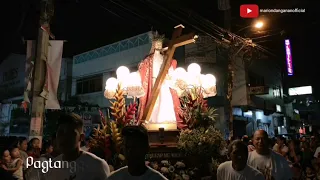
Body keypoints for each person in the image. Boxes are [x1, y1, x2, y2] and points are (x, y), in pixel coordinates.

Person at [137, 31, 185, 128]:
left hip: (164, 83)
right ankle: (152, 121)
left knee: (166, 102)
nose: (158, 45)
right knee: (153, 104)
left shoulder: (166, 58)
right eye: (156, 43)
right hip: (153, 82)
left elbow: (170, 69)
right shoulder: (149, 59)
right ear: (153, 45)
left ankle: (168, 122)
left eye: (160, 43)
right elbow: (143, 69)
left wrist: (170, 77)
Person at [45, 113, 110, 180]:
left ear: (81, 137)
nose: (64, 138)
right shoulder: (52, 167)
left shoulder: (97, 166)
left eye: (70, 133)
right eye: (61, 133)